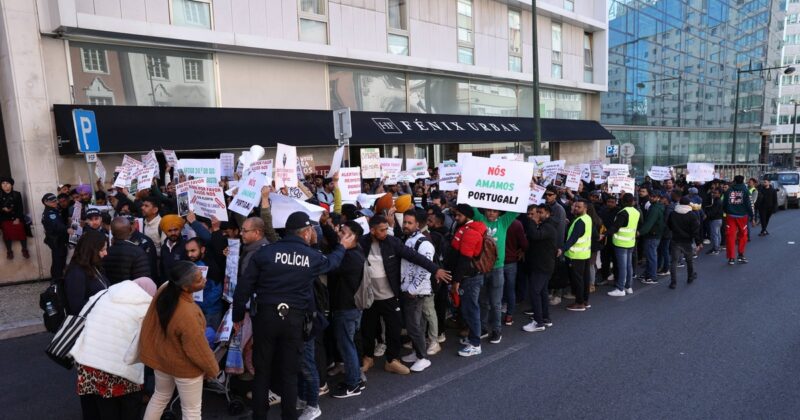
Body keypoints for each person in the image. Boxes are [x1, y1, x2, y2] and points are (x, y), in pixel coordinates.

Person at [232, 211, 355, 419]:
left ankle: (259, 415)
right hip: (294, 320)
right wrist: (342, 246)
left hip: (266, 318)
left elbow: (244, 286)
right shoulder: (311, 256)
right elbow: (332, 263)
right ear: (306, 232)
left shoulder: (265, 252)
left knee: (262, 371)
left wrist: (237, 317)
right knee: (289, 372)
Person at [359, 215, 450, 375]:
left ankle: (392, 360)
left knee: (394, 330)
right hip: (370, 297)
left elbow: (415, 257)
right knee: (368, 329)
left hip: (390, 296)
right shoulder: (362, 243)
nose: (385, 233)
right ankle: (368, 357)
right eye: (381, 230)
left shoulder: (392, 242)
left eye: (386, 229)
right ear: (372, 230)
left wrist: (435, 269)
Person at [140, 262, 219, 420]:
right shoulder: (187, 314)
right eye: (198, 279)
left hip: (162, 360)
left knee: (159, 397)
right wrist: (213, 370)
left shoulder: (165, 289)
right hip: (186, 369)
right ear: (185, 287)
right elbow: (198, 350)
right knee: (191, 411)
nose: (203, 279)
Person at [69, 278, 156, 420]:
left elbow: (81, 319)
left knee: (105, 408)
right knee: (130, 407)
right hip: (122, 368)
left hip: (90, 362)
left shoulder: (102, 294)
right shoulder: (146, 306)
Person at [328, 222, 367, 399]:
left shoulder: (351, 258)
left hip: (346, 308)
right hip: (348, 307)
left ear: (353, 237)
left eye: (343, 232)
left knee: (346, 345)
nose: (339, 234)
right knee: (347, 343)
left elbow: (329, 265)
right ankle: (355, 379)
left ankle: (353, 384)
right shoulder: (354, 251)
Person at [469, 206, 519, 344]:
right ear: (485, 211)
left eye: (495, 211)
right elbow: (470, 204)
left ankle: (497, 331)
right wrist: (463, 185)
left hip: (497, 268)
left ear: (499, 212)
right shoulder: (480, 219)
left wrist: (528, 188)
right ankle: (483, 329)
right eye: (489, 210)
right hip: (482, 268)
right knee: (483, 301)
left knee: (495, 303)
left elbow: (516, 208)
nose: (491, 213)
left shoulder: (504, 221)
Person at [446, 204, 487, 357]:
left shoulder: (471, 233)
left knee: (471, 310)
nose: (456, 218)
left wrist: (456, 282)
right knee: (467, 309)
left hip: (469, 278)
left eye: (459, 216)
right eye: (455, 215)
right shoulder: (465, 229)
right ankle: (472, 338)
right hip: (466, 277)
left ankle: (476, 344)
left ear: (467, 216)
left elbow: (464, 259)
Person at [399, 210, 436, 373]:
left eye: (409, 223)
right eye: (404, 222)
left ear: (418, 225)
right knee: (414, 325)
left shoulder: (424, 244)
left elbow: (425, 269)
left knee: (414, 326)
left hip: (416, 292)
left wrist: (413, 289)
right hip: (408, 289)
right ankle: (417, 352)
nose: (405, 225)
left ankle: (423, 357)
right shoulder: (408, 240)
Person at [522, 204, 556, 332]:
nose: (536, 215)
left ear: (546, 213)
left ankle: (538, 322)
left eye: (539, 212)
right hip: (541, 264)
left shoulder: (548, 226)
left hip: (543, 266)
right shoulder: (544, 225)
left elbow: (536, 236)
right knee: (542, 292)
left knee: (535, 291)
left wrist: (532, 221)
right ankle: (545, 318)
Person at [64, 230, 110, 316]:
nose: (106, 253)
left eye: (106, 249)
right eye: (102, 250)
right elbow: (76, 307)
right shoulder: (76, 273)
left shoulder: (94, 266)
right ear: (91, 250)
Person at [560, 200, 592, 311]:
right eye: (575, 206)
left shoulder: (580, 221)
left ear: (585, 208)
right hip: (584, 254)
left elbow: (573, 239)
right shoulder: (587, 218)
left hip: (575, 255)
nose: (576, 208)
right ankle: (585, 301)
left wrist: (562, 249)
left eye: (579, 207)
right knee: (584, 279)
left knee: (577, 280)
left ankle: (579, 303)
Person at [184, 238, 224, 328]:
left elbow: (217, 291)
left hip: (210, 313)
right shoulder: (191, 264)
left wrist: (202, 304)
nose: (189, 254)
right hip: (196, 310)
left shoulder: (211, 266)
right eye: (187, 251)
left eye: (193, 251)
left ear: (202, 249)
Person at [606, 194, 640, 297]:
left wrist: (604, 234)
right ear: (632, 201)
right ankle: (628, 287)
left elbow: (615, 227)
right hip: (630, 241)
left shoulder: (623, 213)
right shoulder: (636, 212)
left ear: (623, 201)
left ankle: (620, 288)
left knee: (622, 267)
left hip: (621, 243)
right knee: (628, 266)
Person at [667, 197, 702, 289]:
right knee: (689, 260)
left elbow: (669, 225)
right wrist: (698, 242)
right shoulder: (691, 215)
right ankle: (690, 277)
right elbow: (695, 230)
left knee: (674, 262)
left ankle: (673, 282)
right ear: (688, 204)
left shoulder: (673, 214)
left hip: (675, 240)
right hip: (687, 241)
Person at [103, 217, 151, 284]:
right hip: (132, 292)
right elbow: (144, 281)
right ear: (130, 230)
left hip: (111, 291)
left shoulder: (105, 252)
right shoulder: (138, 252)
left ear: (112, 232)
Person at [722, 175, 753, 265]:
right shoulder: (746, 190)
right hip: (742, 216)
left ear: (734, 181)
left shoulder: (728, 191)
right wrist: (752, 216)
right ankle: (741, 254)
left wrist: (726, 211)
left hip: (730, 216)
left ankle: (731, 257)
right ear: (743, 181)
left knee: (730, 236)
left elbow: (724, 203)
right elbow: (750, 204)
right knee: (743, 236)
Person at [638, 192, 665, 285]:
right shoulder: (658, 206)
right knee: (652, 256)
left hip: (652, 235)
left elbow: (650, 222)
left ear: (658, 197)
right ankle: (648, 274)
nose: (652, 198)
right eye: (651, 196)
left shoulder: (654, 209)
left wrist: (640, 232)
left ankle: (652, 277)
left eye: (654, 196)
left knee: (651, 256)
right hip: (656, 234)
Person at [42, 193, 70, 281]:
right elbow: (57, 226)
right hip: (56, 240)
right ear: (46, 202)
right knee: (58, 261)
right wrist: (67, 229)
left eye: (55, 200)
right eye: (52, 201)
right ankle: (56, 281)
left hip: (59, 239)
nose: (55, 202)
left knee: (60, 260)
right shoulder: (50, 213)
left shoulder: (54, 210)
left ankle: (58, 280)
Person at [0, 176, 29, 259]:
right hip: (4, 218)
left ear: (11, 185)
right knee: (6, 234)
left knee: (21, 231)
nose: (5, 185)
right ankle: (9, 251)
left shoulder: (17, 194)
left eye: (7, 183)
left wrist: (17, 218)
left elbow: (20, 207)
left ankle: (24, 249)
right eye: (3, 183)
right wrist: (2, 209)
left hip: (16, 217)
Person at [159, 214, 186, 281]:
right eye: (170, 231)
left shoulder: (186, 246)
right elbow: (162, 269)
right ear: (165, 232)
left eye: (176, 230)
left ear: (180, 230)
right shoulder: (164, 248)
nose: (173, 233)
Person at [703, 189, 723, 255]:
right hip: (719, 219)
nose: (714, 194)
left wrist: (707, 215)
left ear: (719, 194)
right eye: (713, 193)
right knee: (718, 234)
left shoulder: (717, 201)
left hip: (715, 219)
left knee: (715, 235)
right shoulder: (717, 201)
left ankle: (716, 249)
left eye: (716, 193)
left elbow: (714, 211)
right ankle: (717, 247)